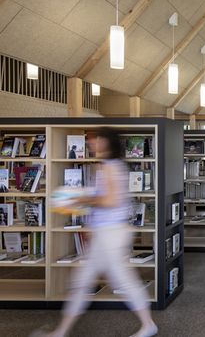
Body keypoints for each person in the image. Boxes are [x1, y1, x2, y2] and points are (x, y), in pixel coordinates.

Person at [39, 129, 157, 337]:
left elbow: (111, 201)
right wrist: (89, 219)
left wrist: (82, 199)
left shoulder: (111, 168)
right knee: (83, 281)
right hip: (106, 232)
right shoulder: (108, 167)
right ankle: (61, 331)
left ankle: (147, 324)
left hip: (111, 233)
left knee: (119, 280)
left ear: (104, 142)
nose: (90, 145)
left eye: (93, 141)